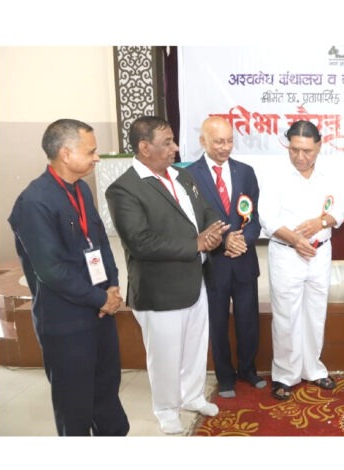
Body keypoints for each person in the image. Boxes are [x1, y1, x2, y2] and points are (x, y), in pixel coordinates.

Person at [105, 116, 228, 434]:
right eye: (167, 143)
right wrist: (196, 243)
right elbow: (141, 241)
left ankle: (193, 396)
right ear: (145, 147)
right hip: (159, 290)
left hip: (195, 280)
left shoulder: (182, 176)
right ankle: (166, 409)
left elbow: (206, 210)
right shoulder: (124, 190)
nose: (175, 148)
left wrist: (213, 231)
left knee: (195, 346)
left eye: (173, 141)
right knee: (165, 356)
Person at [8, 118, 129, 436]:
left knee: (106, 393)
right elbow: (52, 271)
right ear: (65, 153)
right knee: (74, 406)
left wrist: (112, 285)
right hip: (66, 322)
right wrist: (101, 298)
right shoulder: (34, 202)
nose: (97, 158)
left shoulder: (81, 190)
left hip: (99, 312)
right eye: (91, 151)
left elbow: (100, 241)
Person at [259, 120, 344, 401]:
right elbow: (267, 218)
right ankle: (285, 375)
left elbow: (341, 209)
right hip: (287, 254)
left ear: (319, 146)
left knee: (315, 313)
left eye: (307, 151)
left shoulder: (331, 174)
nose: (300, 156)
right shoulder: (275, 176)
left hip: (320, 253)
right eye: (294, 149)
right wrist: (296, 240)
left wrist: (321, 221)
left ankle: (313, 368)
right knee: (286, 316)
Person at [187, 116, 265, 398]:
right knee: (217, 323)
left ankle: (248, 369)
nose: (225, 147)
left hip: (244, 260)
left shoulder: (245, 172)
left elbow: (253, 216)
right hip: (214, 263)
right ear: (203, 141)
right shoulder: (189, 175)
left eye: (230, 141)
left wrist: (244, 239)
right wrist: (222, 242)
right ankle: (225, 377)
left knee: (248, 321)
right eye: (219, 142)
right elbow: (191, 221)